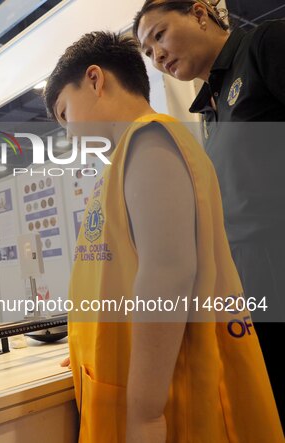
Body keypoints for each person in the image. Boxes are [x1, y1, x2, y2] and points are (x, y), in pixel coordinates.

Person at [43, 31, 283, 441]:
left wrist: (146, 413)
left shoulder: (150, 140)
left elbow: (167, 275)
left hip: (172, 401)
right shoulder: (125, 159)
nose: (68, 135)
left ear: (96, 80)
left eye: (65, 114)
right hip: (133, 383)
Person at [133, 0, 285, 426]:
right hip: (251, 289)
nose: (157, 56)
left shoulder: (265, 45)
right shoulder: (210, 109)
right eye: (148, 52)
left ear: (200, 13)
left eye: (160, 35)